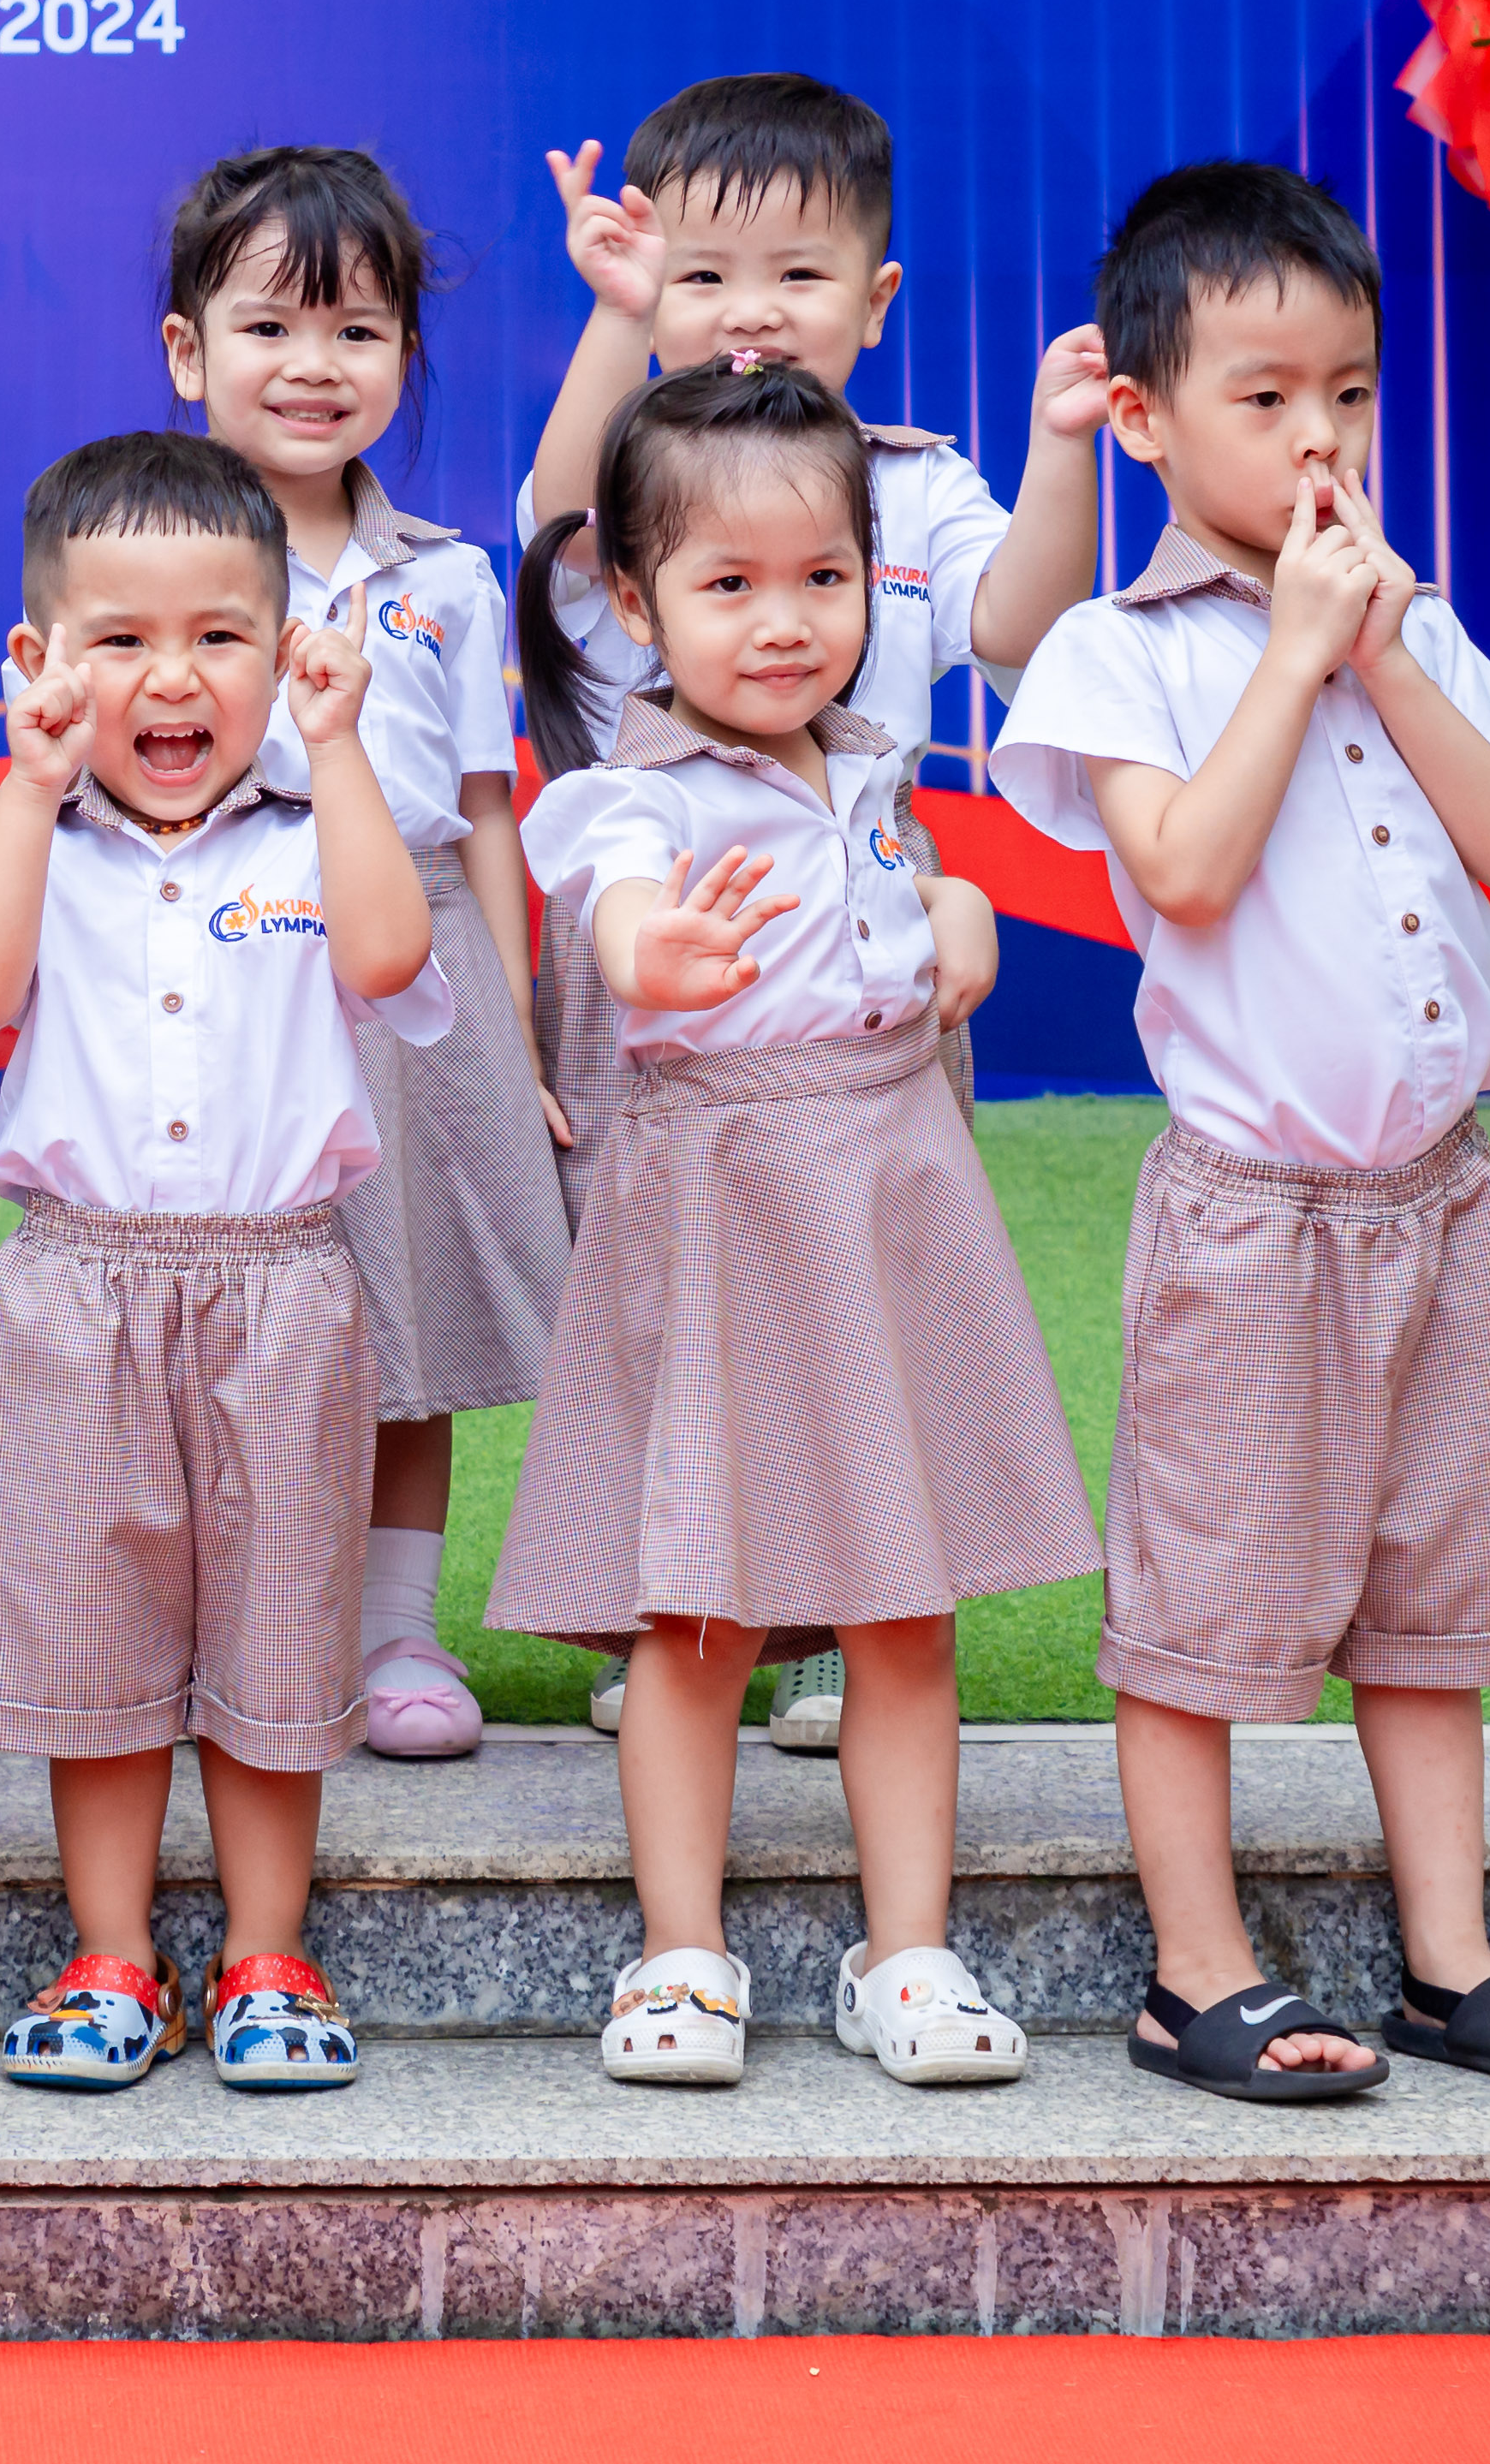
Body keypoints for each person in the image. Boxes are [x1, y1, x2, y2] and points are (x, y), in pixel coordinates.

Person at [991, 164, 1490, 2102]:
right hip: (1251, 1216)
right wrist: (1287, 652)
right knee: (1200, 1596)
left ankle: (1450, 1957)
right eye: (1263, 396)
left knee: (1431, 1593)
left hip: (1439, 1201)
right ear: (1140, 417)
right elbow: (1182, 869)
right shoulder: (1119, 650)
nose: (1317, 437)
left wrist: (1377, 648)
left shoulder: (1397, 618)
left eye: (1345, 391)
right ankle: (1196, 1972)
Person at [492, 353, 1100, 2090]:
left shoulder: (874, 771)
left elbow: (910, 914)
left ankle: (905, 1951)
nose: (783, 622)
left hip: (890, 1194)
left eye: (823, 576)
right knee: (697, 1612)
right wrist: (651, 955)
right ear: (635, 600)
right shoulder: (634, 789)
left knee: (906, 1608)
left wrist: (959, 916)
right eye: (728, 584)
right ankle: (680, 1952)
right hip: (727, 1211)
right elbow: (615, 907)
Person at [519, 73, 1109, 1751]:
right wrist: (610, 320)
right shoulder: (638, 475)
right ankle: (676, 1602)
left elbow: (1015, 624)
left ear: (877, 298)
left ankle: (847, 1615)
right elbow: (554, 522)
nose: (750, 310)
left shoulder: (914, 484)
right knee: (672, 1303)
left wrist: (1061, 451)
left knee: (872, 1288)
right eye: (700, 275)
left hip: (868, 926)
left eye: (797, 271)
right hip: (672, 927)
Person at [0, 433, 447, 2092]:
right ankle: (114, 1954)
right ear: (40, 657)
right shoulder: (38, 836)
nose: (170, 676)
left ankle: (268, 1950)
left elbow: (390, 953)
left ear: (283, 652)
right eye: (120, 638)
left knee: (281, 1629)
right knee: (95, 1645)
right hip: (73, 1292)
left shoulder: (308, 833)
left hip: (282, 1288)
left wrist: (337, 746)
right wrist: (21, 785)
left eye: (219, 636)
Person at [158, 149, 570, 1763]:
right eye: (269, 326)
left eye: (357, 330)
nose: (313, 365)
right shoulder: (150, 556)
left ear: (404, 355)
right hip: (221, 941)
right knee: (217, 1291)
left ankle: (395, 1628)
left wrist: (513, 1037)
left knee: (409, 1308)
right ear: (187, 351)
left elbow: (485, 815)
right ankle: (222, 1617)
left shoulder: (448, 578)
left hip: (416, 960)